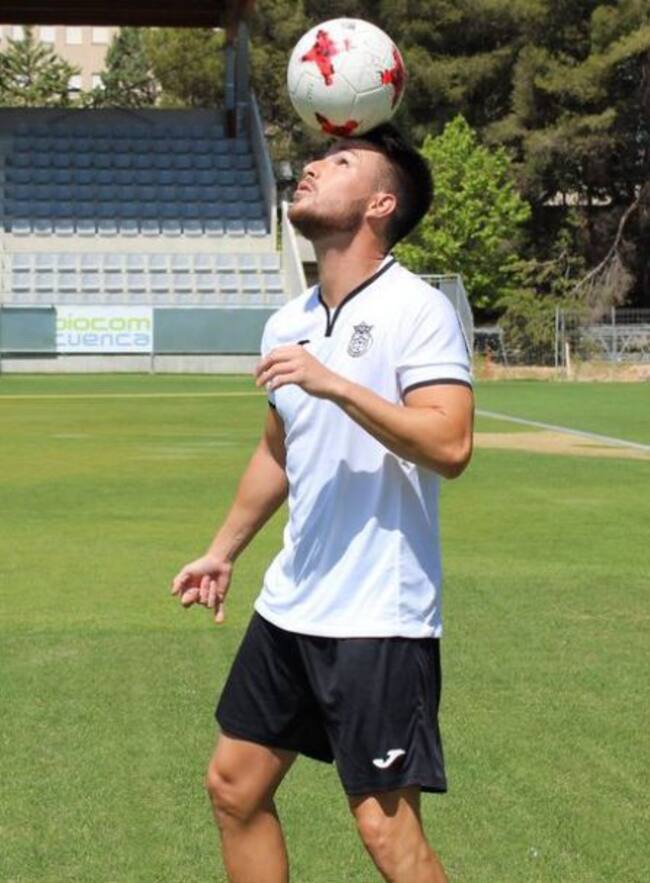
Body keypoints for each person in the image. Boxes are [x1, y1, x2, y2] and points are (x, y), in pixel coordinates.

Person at [171, 123, 473, 883]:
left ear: (379, 202)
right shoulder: (290, 320)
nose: (310, 166)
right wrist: (223, 549)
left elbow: (450, 444)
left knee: (385, 832)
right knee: (234, 788)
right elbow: (280, 448)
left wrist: (334, 381)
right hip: (291, 605)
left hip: (377, 615)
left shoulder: (418, 308)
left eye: (339, 161)